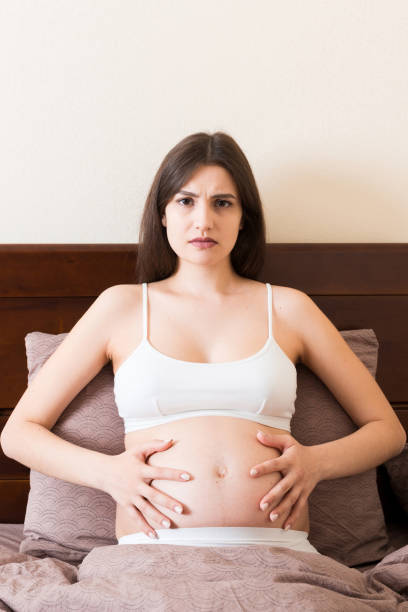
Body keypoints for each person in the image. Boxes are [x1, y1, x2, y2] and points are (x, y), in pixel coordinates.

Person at [1, 132, 406, 554]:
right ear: (162, 214)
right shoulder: (120, 307)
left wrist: (315, 463)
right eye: (185, 200)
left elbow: (388, 431)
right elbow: (18, 433)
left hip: (278, 556)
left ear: (244, 216)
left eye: (222, 203)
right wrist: (108, 473)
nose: (204, 221)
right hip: (149, 556)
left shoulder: (289, 309)